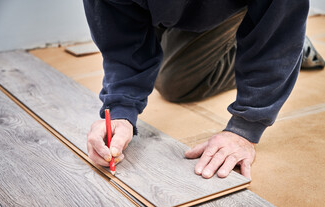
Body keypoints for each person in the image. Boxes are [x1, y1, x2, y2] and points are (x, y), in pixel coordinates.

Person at [84, 0, 310, 180]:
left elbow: (277, 29)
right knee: (174, 83)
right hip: (165, 11)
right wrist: (121, 110)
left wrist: (245, 128)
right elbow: (123, 43)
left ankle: (286, 48)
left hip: (227, 7)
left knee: (174, 83)